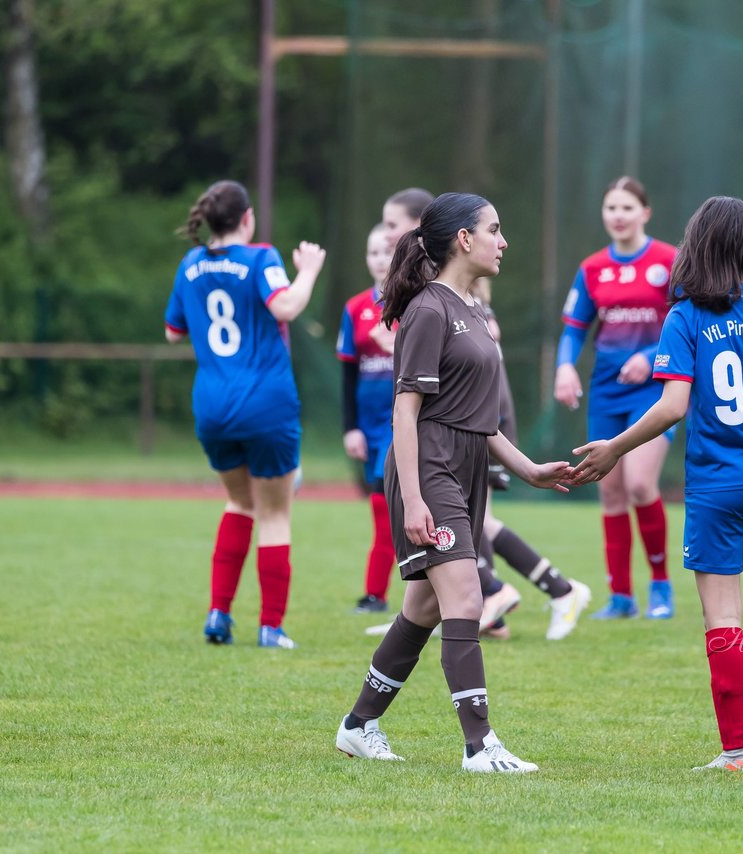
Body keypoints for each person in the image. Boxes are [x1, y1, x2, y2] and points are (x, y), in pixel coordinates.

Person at [572, 196, 743, 771]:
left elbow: (672, 406)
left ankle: (737, 751)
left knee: (724, 619)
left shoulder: (685, 316)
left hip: (719, 486)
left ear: (697, 248)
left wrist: (615, 446)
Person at [335, 192, 573, 773]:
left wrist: (530, 469)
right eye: (494, 229)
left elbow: (480, 421)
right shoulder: (429, 310)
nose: (503, 240)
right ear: (463, 239)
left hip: (464, 467)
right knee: (468, 596)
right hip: (431, 465)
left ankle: (359, 726)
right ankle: (480, 745)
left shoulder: (472, 310)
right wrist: (414, 497)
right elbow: (405, 413)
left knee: (423, 607)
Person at [164, 180, 325, 649]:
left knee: (239, 504)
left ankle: (218, 615)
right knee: (275, 513)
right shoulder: (260, 257)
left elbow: (174, 332)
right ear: (248, 218)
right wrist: (309, 270)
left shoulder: (190, 264)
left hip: (212, 405)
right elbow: (287, 305)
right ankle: (271, 628)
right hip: (265, 402)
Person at [554, 176, 677, 620]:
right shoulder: (592, 268)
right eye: (611, 208)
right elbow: (573, 329)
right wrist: (565, 367)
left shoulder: (669, 261)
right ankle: (621, 596)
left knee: (641, 484)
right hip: (607, 391)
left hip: (656, 389)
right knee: (610, 493)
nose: (618, 216)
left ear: (645, 212)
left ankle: (661, 587)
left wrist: (651, 356)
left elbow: (686, 323)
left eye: (627, 208)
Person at [473, 278, 592, 641]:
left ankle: (497, 593)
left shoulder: (471, 310)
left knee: (469, 521)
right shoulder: (458, 304)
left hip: (485, 423)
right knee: (478, 522)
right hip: (485, 420)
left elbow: (485, 376)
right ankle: (497, 606)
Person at [338, 223, 397, 613]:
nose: (379, 259)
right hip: (370, 425)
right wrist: (351, 428)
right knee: (383, 506)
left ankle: (375, 593)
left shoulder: (414, 302)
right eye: (372, 252)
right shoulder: (355, 308)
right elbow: (347, 373)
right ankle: (376, 594)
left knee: (385, 505)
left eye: (387, 251)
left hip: (402, 423)